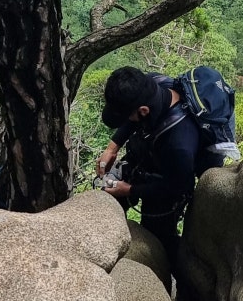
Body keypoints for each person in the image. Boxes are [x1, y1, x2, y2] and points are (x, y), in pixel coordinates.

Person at [95, 66, 227, 259]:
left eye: (127, 116)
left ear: (143, 111)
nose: (127, 120)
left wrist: (130, 190)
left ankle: (177, 280)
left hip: (169, 182)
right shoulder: (149, 84)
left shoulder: (179, 144)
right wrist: (112, 147)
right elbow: (133, 119)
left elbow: (179, 186)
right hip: (146, 156)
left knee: (157, 241)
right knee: (107, 196)